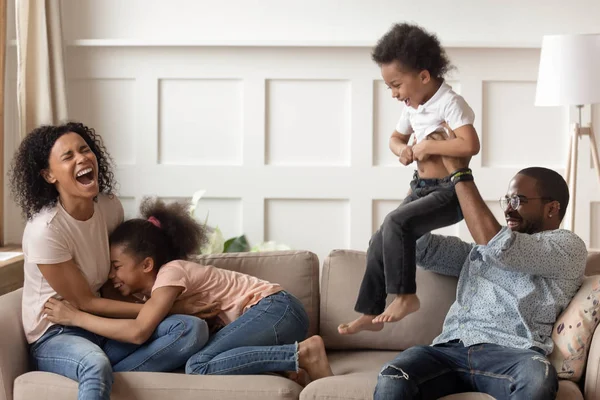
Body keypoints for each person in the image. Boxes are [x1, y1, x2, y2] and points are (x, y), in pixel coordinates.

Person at [373, 126, 588, 400]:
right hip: (448, 350)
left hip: (513, 354)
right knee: (393, 376)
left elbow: (502, 248)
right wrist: (424, 180)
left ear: (552, 208)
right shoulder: (477, 251)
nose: (509, 208)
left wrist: (460, 173)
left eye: (519, 200)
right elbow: (416, 246)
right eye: (507, 199)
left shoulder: (567, 246)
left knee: (538, 379)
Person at [9, 122, 212, 400]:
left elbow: (111, 281)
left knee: (190, 329)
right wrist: (166, 307)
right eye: (68, 156)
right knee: (94, 363)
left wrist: (155, 311)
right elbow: (83, 302)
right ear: (48, 175)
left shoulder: (108, 207)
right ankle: (97, 373)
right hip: (57, 333)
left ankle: (103, 379)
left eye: (85, 149)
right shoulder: (46, 230)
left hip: (100, 323)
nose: (82, 158)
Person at [44, 197, 334, 384]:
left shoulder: (172, 273)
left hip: (276, 309)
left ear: (147, 264)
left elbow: (138, 331)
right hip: (276, 316)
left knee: (198, 365)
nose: (111, 274)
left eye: (116, 266)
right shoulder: (153, 293)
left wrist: (76, 317)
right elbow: (114, 303)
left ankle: (303, 354)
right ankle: (285, 366)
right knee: (207, 359)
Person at [339, 23, 481, 335]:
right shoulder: (413, 105)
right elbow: (394, 138)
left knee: (395, 223)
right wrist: (403, 150)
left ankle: (406, 296)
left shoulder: (450, 103)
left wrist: (428, 145)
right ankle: (370, 310)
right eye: (389, 87)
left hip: (449, 192)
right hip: (421, 187)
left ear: (424, 76)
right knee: (379, 239)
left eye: (396, 85)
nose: (393, 94)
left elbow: (470, 145)